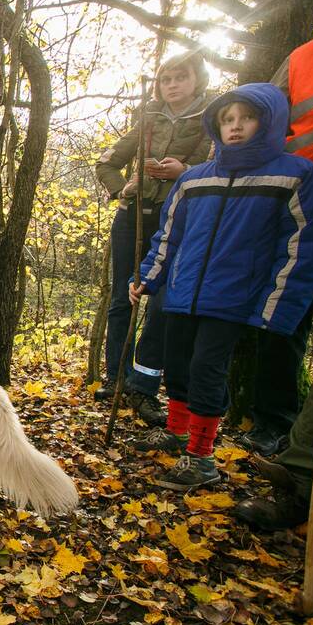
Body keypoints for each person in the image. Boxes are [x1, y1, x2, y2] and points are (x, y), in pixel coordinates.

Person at [128, 83, 313, 492]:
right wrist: (147, 278)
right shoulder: (195, 179)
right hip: (182, 293)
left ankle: (201, 458)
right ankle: (178, 431)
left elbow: (301, 247)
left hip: (233, 299)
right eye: (227, 119)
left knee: (206, 370)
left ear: (269, 122)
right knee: (178, 364)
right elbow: (168, 236)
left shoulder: (294, 175)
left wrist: (276, 308)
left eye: (246, 118)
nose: (235, 127)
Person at [235, 34, 313, 529]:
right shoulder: (304, 59)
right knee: (283, 319)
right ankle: (294, 461)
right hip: (299, 209)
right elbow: (255, 126)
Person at [95, 52, 214, 426]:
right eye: (166, 79)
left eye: (181, 78)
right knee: (121, 299)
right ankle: (115, 379)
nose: (172, 85)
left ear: (197, 80)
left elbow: (219, 164)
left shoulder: (211, 117)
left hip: (181, 220)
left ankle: (144, 388)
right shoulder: (146, 117)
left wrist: (186, 172)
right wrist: (122, 190)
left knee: (161, 302)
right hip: (134, 218)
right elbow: (106, 162)